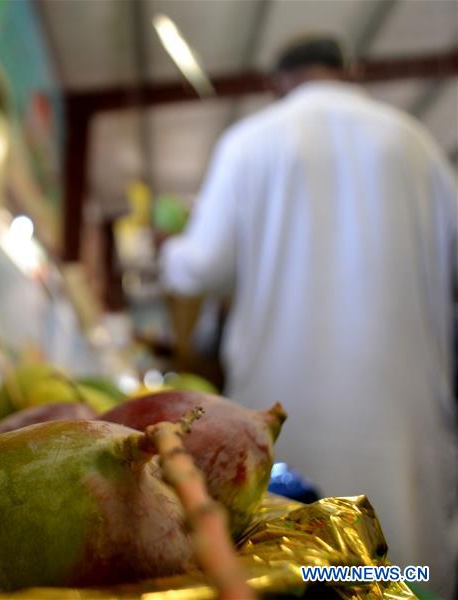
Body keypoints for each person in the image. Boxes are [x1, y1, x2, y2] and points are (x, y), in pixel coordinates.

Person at [160, 35, 457, 597]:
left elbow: (199, 270)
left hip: (286, 417)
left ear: (278, 82)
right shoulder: (413, 142)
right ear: (347, 73)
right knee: (398, 575)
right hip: (404, 427)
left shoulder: (251, 142)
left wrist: (167, 250)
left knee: (294, 574)